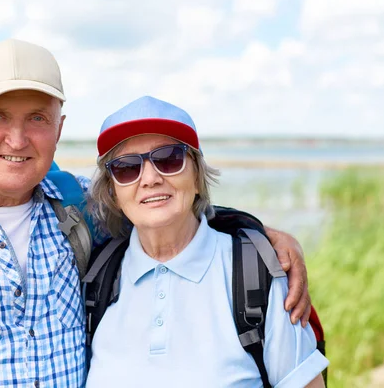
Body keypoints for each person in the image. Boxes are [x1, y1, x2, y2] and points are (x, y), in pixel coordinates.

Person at [0, 39, 313, 387]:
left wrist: (254, 232)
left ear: (59, 127)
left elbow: (161, 205)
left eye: (37, 118)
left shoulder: (78, 209)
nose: (17, 139)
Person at [85, 96, 329, 387]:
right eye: (126, 167)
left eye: (168, 158)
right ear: (112, 192)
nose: (150, 178)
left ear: (198, 176)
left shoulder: (255, 274)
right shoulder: (97, 278)